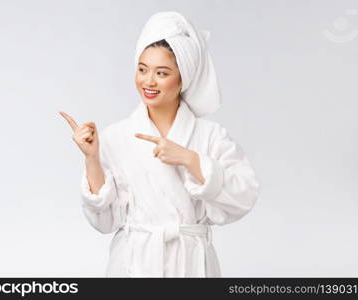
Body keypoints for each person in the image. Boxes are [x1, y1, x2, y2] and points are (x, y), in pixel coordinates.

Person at [60, 11, 260, 277]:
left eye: (161, 73)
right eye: (142, 70)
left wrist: (190, 159)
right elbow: (105, 221)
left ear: (183, 79)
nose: (148, 81)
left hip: (190, 265)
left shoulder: (211, 136)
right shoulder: (116, 136)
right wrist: (91, 159)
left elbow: (243, 197)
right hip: (135, 263)